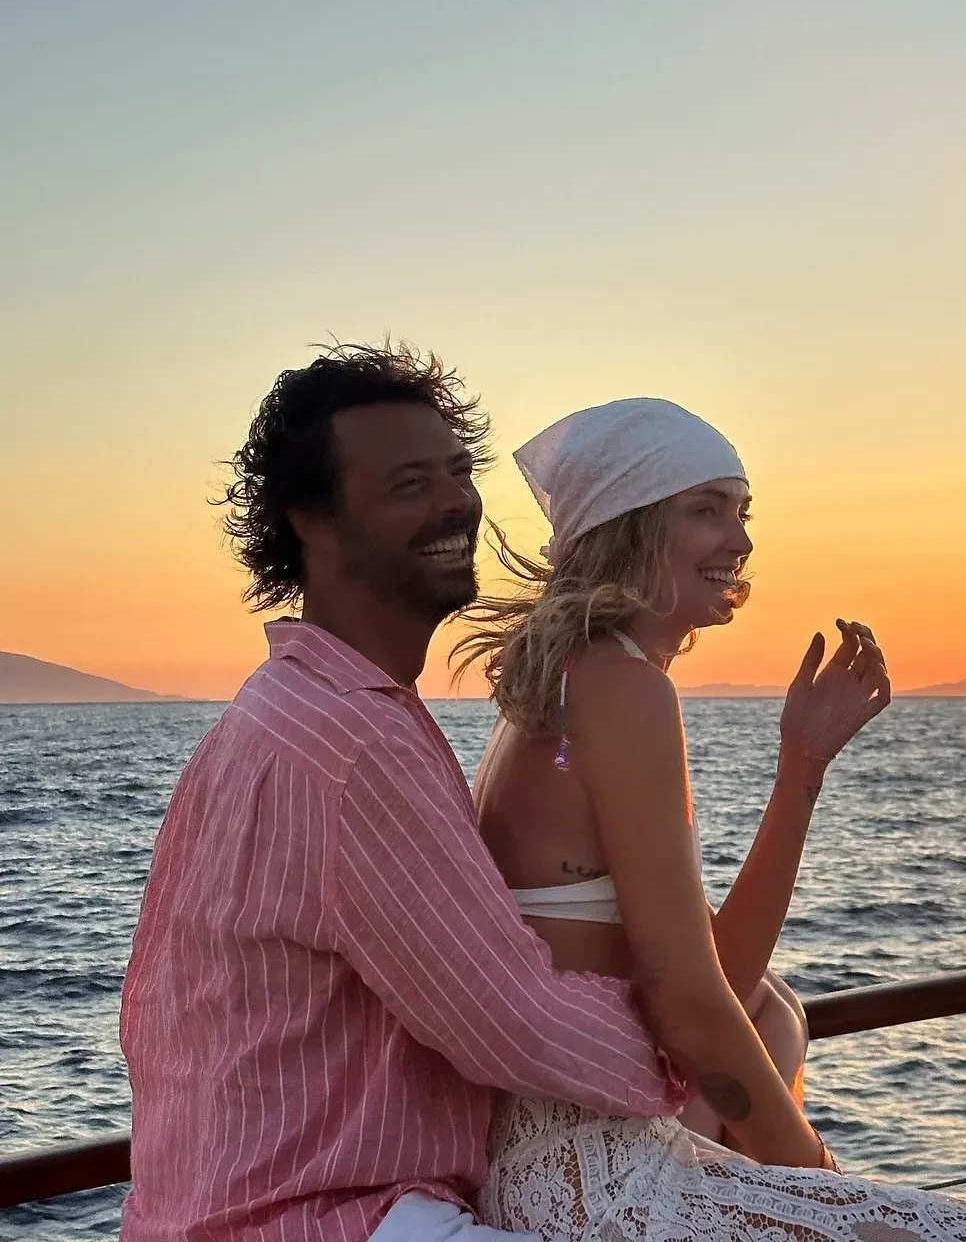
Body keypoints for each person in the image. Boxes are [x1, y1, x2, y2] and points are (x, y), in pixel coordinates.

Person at [118, 345, 689, 1242]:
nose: (455, 502)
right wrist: (690, 1043)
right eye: (410, 484)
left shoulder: (279, 712)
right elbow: (515, 1023)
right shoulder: (352, 743)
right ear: (313, 519)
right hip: (332, 1220)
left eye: (459, 472)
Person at [459, 397, 966, 1242]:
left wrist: (800, 768)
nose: (740, 541)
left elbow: (718, 979)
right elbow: (688, 1012)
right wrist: (826, 1183)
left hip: (559, 1172)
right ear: (628, 526)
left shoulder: (575, 682)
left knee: (776, 1008)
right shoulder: (621, 688)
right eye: (707, 510)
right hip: (593, 1188)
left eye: (742, 512)